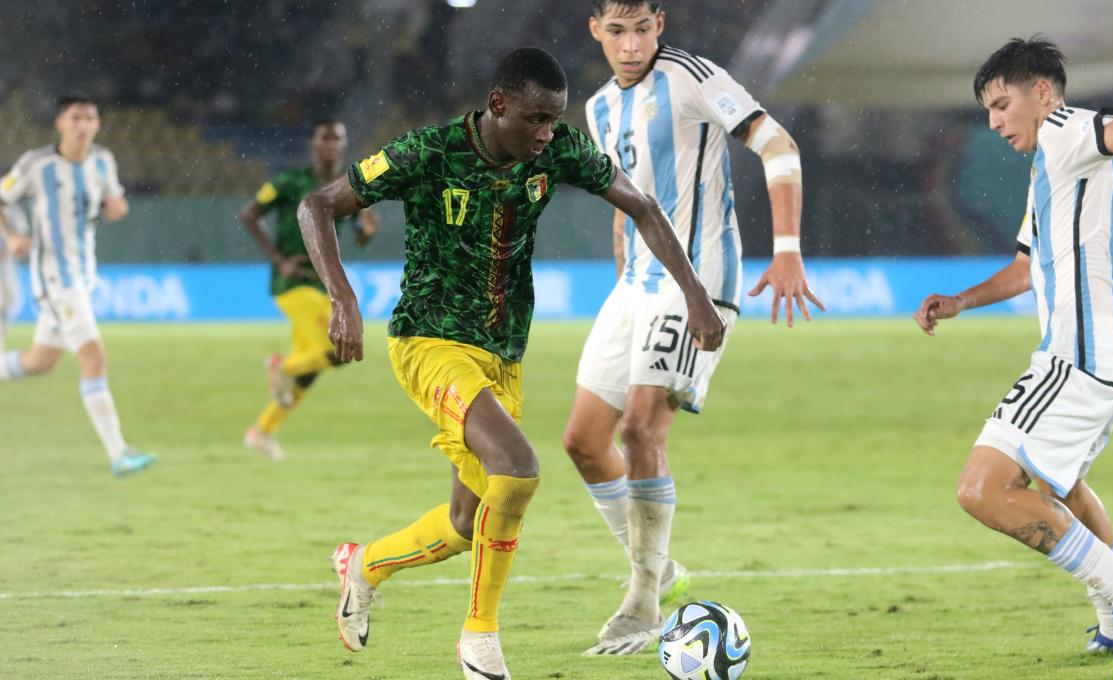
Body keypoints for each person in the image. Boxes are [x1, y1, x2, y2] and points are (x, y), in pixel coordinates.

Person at [299, 47, 726, 680]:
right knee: (519, 467)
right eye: (536, 119)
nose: (547, 134)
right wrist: (343, 298)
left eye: (554, 120)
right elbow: (318, 206)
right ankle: (480, 642)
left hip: (502, 353)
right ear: (498, 105)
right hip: (429, 342)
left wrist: (695, 294)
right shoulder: (428, 152)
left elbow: (642, 206)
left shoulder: (554, 152)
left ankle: (365, 567)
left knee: (465, 524)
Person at [914, 37, 1113, 678]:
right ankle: (1110, 618)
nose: (993, 121)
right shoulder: (1050, 166)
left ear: (1041, 92)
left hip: (1082, 353)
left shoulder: (1068, 130)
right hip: (1105, 351)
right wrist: (961, 301)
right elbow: (1025, 267)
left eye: (1000, 103)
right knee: (1056, 484)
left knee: (982, 489)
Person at [562, 0, 824, 655]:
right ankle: (662, 565)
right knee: (583, 442)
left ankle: (644, 597)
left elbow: (778, 145)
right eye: (616, 31)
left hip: (698, 278)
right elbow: (624, 204)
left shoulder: (691, 76)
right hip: (635, 288)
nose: (630, 45)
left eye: (642, 29)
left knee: (641, 427)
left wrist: (787, 248)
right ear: (595, 29)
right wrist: (623, 273)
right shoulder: (597, 109)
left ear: (661, 25)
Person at [0, 95, 157, 477]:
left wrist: (115, 206)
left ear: (98, 124)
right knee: (93, 357)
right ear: (60, 123)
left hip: (83, 275)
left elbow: (113, 203)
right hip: (55, 279)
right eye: (75, 117)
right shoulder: (36, 165)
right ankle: (118, 453)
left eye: (90, 117)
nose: (82, 124)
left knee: (40, 362)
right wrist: (13, 236)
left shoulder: (103, 161)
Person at [241, 119, 377, 461]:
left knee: (313, 368)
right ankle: (282, 367)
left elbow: (360, 238)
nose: (331, 144)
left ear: (343, 144)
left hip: (323, 284)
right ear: (313, 144)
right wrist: (278, 258)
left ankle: (263, 430)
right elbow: (249, 215)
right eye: (325, 138)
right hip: (293, 282)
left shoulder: (347, 185)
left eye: (337, 139)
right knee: (336, 350)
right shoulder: (290, 182)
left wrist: (367, 230)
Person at [0, 203, 30, 353]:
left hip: (7, 265)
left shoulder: (12, 207)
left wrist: (16, 245)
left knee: (9, 304)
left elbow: (20, 239)